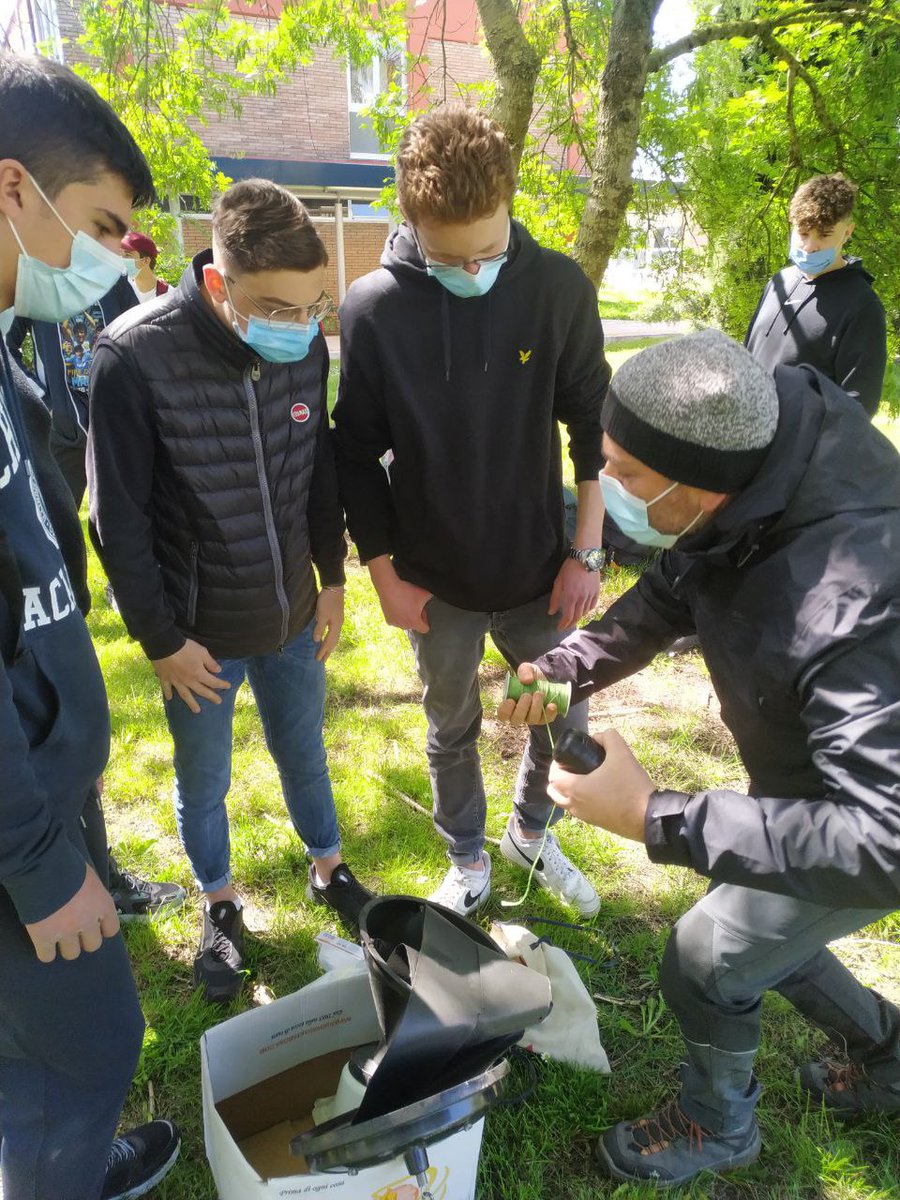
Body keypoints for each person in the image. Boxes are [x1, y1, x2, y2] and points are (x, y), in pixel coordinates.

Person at [498, 329, 900, 1188]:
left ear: (699, 487)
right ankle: (891, 1055)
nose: (604, 484)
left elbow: (884, 841)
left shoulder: (848, 598)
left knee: (706, 957)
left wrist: (658, 816)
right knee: (756, 925)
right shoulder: (754, 463)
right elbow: (671, 593)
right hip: (822, 770)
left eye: (626, 473)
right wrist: (565, 668)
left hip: (875, 815)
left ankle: (719, 1126)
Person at [88, 179, 373, 1004]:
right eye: (277, 308)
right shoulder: (131, 358)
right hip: (197, 639)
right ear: (218, 282)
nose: (300, 325)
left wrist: (331, 578)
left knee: (304, 749)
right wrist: (162, 642)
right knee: (204, 777)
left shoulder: (306, 348)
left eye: (313, 306)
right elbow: (117, 521)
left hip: (291, 613)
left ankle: (329, 867)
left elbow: (318, 471)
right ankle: (218, 901)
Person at [333, 106, 611, 918]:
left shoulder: (557, 288)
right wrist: (383, 576)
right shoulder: (374, 308)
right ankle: (466, 857)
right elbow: (354, 454)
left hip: (540, 568)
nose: (473, 269)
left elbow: (590, 422)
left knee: (561, 713)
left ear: (509, 204)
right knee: (449, 725)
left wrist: (586, 551)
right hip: (433, 581)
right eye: (450, 256)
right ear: (411, 222)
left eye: (489, 250)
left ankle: (531, 833)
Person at [0, 51, 180, 1200]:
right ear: (14, 188)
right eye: (103, 225)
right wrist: (37, 860)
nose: (113, 259)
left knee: (44, 1055)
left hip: (41, 796)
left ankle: (50, 1152)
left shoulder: (9, 367)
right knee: (94, 1043)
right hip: (18, 837)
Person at [745, 172, 887, 417]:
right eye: (803, 233)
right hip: (746, 433)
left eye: (824, 235)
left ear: (847, 232)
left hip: (798, 441)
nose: (810, 246)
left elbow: (857, 409)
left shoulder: (862, 306)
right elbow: (747, 356)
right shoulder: (779, 282)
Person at [5, 274, 136, 506]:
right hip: (62, 429)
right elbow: (6, 347)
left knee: (120, 516)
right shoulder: (36, 285)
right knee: (57, 516)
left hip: (115, 422)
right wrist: (40, 397)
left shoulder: (110, 277)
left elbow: (141, 334)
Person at [121, 229, 170, 302]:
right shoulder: (122, 291)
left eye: (127, 255)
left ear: (146, 261)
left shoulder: (168, 296)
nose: (121, 259)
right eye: (120, 254)